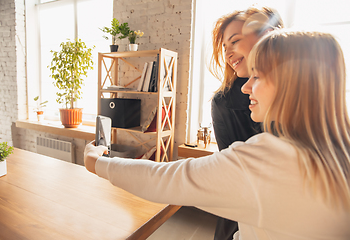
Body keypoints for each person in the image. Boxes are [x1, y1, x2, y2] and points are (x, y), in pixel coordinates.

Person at [84, 30, 350, 240]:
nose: (246, 87)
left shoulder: (268, 159)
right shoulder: (339, 149)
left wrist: (97, 163)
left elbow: (167, 180)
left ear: (292, 83)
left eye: (256, 76)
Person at [210, 6, 283, 239]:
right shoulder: (222, 102)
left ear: (266, 35)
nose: (228, 53)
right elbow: (228, 170)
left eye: (235, 41)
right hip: (241, 215)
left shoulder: (298, 91)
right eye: (224, 47)